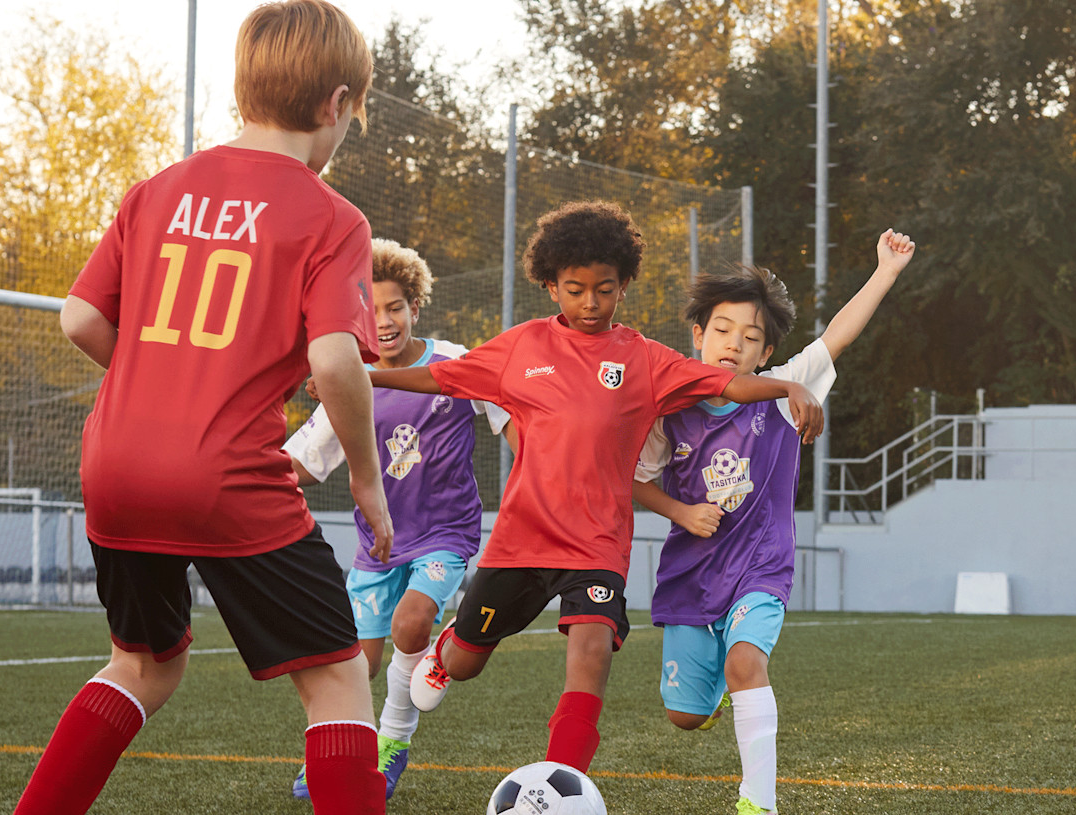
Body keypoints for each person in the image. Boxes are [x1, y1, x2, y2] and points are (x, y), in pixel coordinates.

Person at [13, 3, 393, 813]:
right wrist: (365, 476)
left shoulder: (156, 190)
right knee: (335, 675)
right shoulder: (332, 218)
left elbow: (78, 318)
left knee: (141, 665)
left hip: (113, 464)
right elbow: (334, 360)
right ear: (336, 103)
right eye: (350, 119)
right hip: (223, 476)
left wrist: (166, 378)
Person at [363, 200, 825, 774]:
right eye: (575, 289)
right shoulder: (520, 349)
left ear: (623, 286)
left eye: (604, 290)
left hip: (597, 548)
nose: (590, 303)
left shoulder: (646, 361)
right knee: (462, 666)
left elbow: (728, 383)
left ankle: (562, 785)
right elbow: (440, 377)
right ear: (551, 286)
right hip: (521, 543)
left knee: (591, 654)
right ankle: (447, 646)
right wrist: (363, 375)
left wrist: (788, 390)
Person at [632, 228, 916, 815]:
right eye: (721, 331)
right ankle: (705, 700)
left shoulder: (786, 390)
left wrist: (885, 271)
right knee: (684, 717)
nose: (733, 345)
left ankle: (757, 803)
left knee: (746, 664)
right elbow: (633, 480)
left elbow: (836, 336)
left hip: (760, 567)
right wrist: (681, 510)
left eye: (750, 338)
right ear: (697, 336)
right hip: (691, 571)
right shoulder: (670, 409)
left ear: (766, 354)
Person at [284, 238, 512, 800]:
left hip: (445, 534)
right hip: (377, 546)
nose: (383, 321)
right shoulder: (347, 376)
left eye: (394, 307)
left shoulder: (455, 364)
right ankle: (338, 754)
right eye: (370, 310)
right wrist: (241, 474)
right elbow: (305, 462)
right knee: (355, 666)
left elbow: (512, 417)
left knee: (412, 622)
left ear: (416, 307)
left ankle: (393, 743)